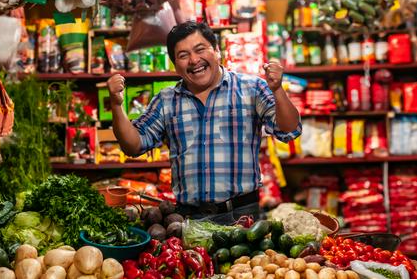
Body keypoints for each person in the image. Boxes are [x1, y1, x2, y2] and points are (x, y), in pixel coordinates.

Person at [107, 21, 302, 225]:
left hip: (242, 215)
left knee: (244, 259)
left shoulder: (251, 88)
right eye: (183, 55)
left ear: (217, 51)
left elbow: (289, 130)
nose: (194, 60)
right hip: (189, 219)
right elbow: (133, 145)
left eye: (200, 49)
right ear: (175, 64)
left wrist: (278, 89)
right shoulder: (166, 100)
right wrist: (116, 104)